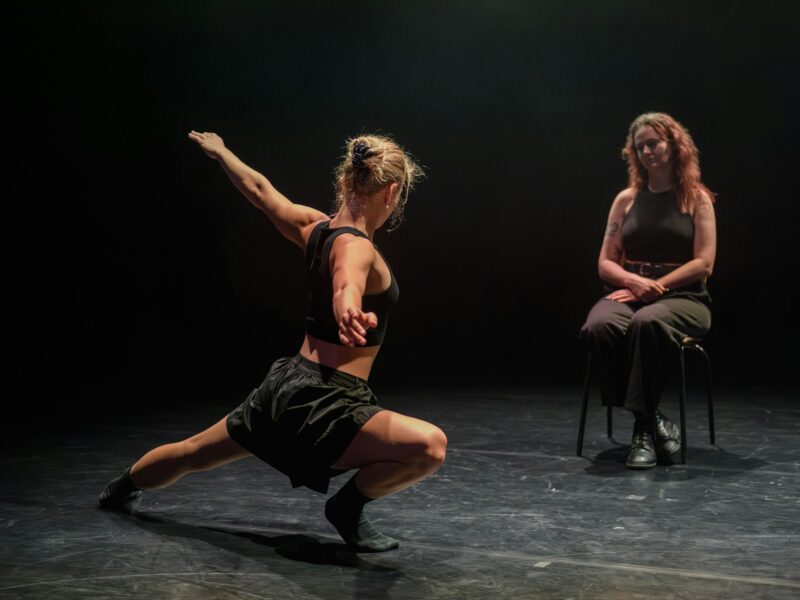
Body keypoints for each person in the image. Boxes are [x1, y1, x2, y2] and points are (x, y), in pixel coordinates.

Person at [99, 131, 447, 552]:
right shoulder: (358, 250)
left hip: (286, 387)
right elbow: (346, 283)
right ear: (391, 191)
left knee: (192, 452)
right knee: (430, 446)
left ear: (344, 181)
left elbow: (262, 192)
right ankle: (347, 508)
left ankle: (119, 489)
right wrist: (347, 310)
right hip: (328, 402)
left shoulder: (312, 227)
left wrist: (223, 153)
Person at [580, 112, 716, 469]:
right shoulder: (626, 199)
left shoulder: (696, 199)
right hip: (632, 290)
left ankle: (643, 430)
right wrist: (634, 283)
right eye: (640, 147)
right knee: (600, 325)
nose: (647, 151)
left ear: (674, 144)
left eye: (653, 143)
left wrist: (655, 288)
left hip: (684, 297)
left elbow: (704, 263)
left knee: (648, 323)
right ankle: (652, 420)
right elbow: (606, 263)